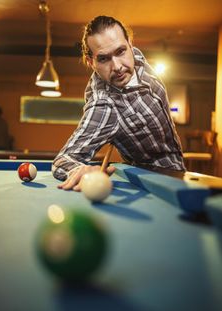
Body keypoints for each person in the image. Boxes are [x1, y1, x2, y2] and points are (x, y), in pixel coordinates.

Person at [52, 16, 186, 191]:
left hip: (180, 170)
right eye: (103, 59)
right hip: (155, 186)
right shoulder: (104, 105)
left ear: (130, 44)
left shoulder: (136, 57)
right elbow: (63, 160)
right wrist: (80, 170)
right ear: (91, 62)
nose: (117, 66)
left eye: (120, 51)